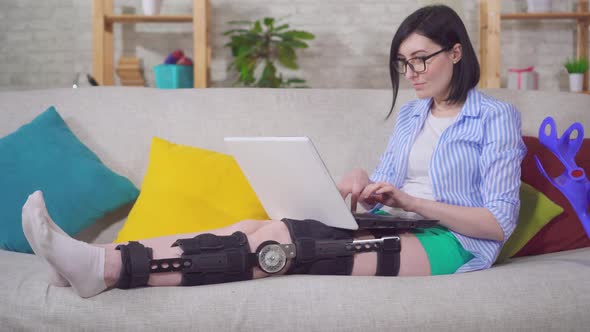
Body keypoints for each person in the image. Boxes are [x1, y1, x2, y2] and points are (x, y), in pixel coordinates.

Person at [21, 5, 526, 298]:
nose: (412, 72)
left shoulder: (497, 119)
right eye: (403, 63)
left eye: (421, 59)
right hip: (401, 225)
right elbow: (387, 187)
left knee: (285, 246)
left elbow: (497, 224)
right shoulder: (415, 114)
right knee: (251, 228)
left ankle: (112, 272)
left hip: (452, 245)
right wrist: (362, 184)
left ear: (456, 52)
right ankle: (97, 257)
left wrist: (414, 203)